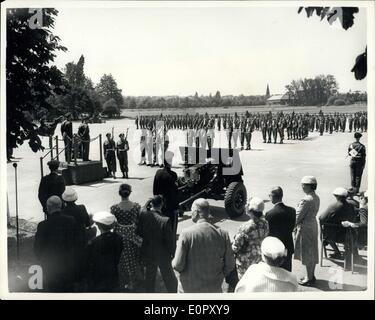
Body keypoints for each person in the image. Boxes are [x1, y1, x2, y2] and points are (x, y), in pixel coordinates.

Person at [172, 199, 235, 293]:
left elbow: (178, 265)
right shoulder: (223, 234)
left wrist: (172, 262)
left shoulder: (186, 234)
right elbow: (230, 265)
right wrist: (219, 275)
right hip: (213, 289)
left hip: (189, 290)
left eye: (192, 211)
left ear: (196, 212)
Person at [34, 196, 78, 292]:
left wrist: (43, 260)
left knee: (54, 290)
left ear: (48, 208)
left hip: (51, 266)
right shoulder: (71, 220)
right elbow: (75, 242)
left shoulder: (42, 225)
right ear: (61, 206)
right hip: (68, 264)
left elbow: (37, 248)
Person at [137, 195, 177, 293]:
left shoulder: (144, 215)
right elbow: (170, 241)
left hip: (148, 251)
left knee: (150, 276)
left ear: (151, 204)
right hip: (162, 254)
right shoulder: (165, 220)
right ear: (162, 204)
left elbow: (139, 232)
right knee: (168, 277)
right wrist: (173, 253)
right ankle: (173, 294)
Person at [111, 184, 143, 291]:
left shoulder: (114, 208)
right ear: (129, 193)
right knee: (134, 257)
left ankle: (124, 280)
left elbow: (113, 223)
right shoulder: (136, 207)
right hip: (133, 233)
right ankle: (134, 280)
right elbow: (139, 221)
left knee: (123, 258)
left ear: (119, 194)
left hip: (119, 234)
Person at [232, 197, 269, 279]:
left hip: (245, 262)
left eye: (247, 205)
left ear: (251, 210)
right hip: (259, 259)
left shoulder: (245, 227)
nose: (245, 206)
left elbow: (236, 246)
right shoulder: (265, 223)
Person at [86, 211, 123, 292]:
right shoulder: (119, 238)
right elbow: (118, 255)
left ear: (99, 226)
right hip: (113, 271)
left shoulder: (94, 242)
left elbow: (91, 260)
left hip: (98, 274)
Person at [294, 176, 320, 286]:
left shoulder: (306, 200)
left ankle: (309, 278)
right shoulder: (315, 197)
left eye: (304, 185)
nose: (302, 187)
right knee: (312, 252)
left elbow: (298, 217)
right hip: (313, 225)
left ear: (310, 186)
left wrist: (292, 226)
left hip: (305, 228)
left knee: (307, 253)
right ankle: (311, 275)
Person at [61, 187, 91, 284]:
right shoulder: (81, 208)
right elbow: (87, 223)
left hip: (68, 241)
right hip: (81, 239)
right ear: (75, 199)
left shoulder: (62, 212)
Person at [319, 187, 356, 260]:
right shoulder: (351, 206)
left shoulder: (334, 206)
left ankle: (337, 252)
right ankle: (347, 252)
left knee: (323, 230)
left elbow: (321, 218)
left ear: (337, 196)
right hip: (347, 233)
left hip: (334, 235)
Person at [265, 187, 296, 271]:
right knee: (287, 270)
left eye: (269, 195)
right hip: (287, 246)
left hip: (275, 248)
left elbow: (268, 232)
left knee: (275, 272)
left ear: (273, 196)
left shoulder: (270, 214)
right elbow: (292, 227)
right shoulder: (292, 211)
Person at [153, 151, 180, 231]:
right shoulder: (173, 175)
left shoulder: (158, 173)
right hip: (170, 205)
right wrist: (177, 207)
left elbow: (155, 190)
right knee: (171, 226)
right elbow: (175, 193)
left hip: (160, 204)